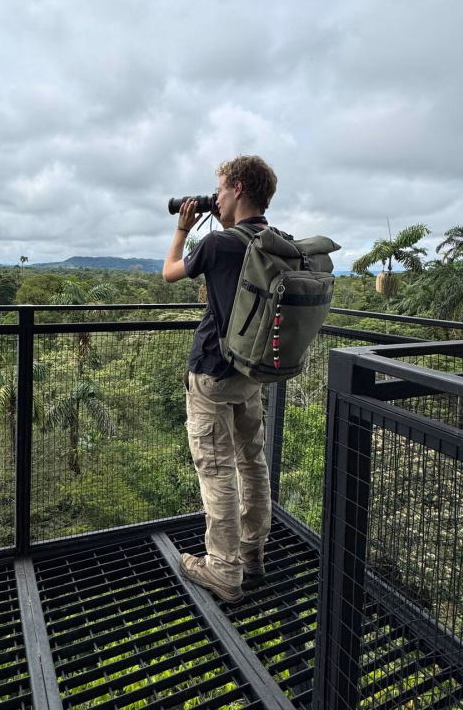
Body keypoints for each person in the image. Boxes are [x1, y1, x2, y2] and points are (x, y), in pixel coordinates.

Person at [163, 154, 285, 603]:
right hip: (253, 373)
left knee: (216, 471)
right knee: (252, 463)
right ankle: (253, 554)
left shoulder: (219, 245)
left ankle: (224, 570)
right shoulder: (276, 241)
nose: (214, 196)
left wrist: (182, 226)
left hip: (213, 372)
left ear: (236, 187)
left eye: (219, 189)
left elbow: (169, 272)